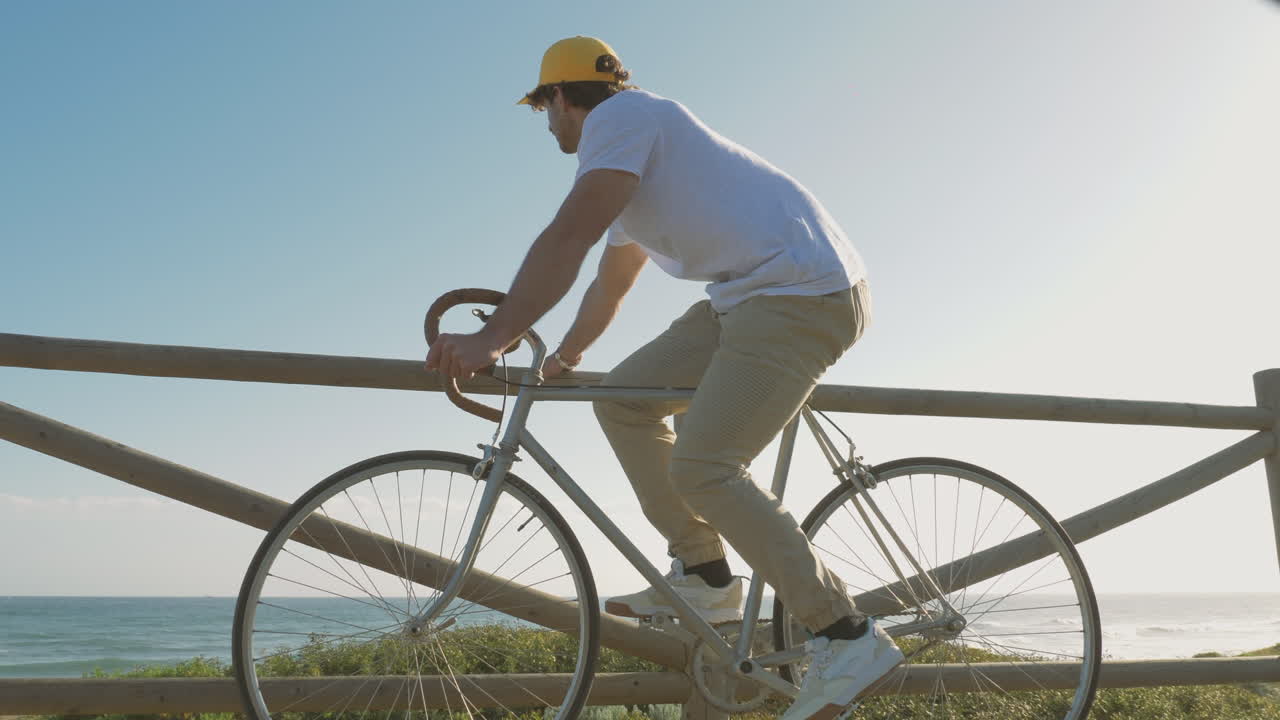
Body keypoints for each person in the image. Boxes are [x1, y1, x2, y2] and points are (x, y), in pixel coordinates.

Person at [424, 36, 903, 719]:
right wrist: (564, 356)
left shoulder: (621, 122)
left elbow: (568, 237)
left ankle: (845, 634)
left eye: (543, 110)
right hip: (752, 296)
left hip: (803, 294)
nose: (549, 125)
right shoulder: (630, 157)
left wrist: (491, 336)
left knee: (706, 467)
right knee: (623, 402)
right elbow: (611, 283)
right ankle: (706, 573)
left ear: (561, 98)